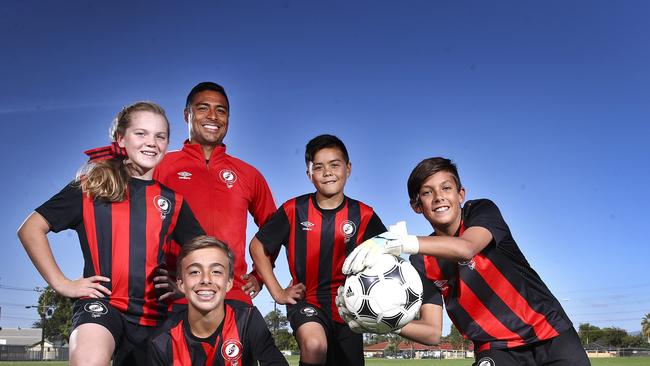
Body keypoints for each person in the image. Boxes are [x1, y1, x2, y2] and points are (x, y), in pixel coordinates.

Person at [343, 157, 591, 366]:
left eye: (446, 188)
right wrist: (380, 321)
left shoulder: (481, 211)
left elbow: (465, 248)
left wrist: (399, 241)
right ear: (417, 206)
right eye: (427, 192)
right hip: (495, 347)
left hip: (549, 332)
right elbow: (430, 332)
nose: (439, 197)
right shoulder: (420, 260)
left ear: (461, 194)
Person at [17, 102, 204, 366]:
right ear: (121, 138)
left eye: (160, 136)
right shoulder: (91, 187)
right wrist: (62, 284)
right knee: (89, 360)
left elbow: (205, 252)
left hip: (153, 314)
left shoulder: (172, 201)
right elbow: (31, 228)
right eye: (141, 133)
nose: (152, 142)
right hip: (103, 305)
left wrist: (182, 285)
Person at [250, 134, 386, 366]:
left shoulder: (365, 215)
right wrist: (278, 293)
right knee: (315, 346)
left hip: (349, 308)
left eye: (335, 165)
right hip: (307, 301)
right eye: (319, 167)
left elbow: (386, 254)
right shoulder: (294, 210)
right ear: (309, 174)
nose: (328, 172)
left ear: (348, 168)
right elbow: (257, 246)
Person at [154, 82, 276, 306]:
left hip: (233, 296)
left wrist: (259, 276)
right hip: (175, 296)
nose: (213, 116)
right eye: (202, 108)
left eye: (221, 110)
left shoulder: (248, 174)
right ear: (186, 114)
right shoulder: (160, 166)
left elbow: (274, 229)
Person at [149, 235, 288, 365]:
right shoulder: (162, 341)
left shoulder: (247, 320)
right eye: (194, 272)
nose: (205, 279)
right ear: (181, 284)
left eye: (216, 271)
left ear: (229, 282)